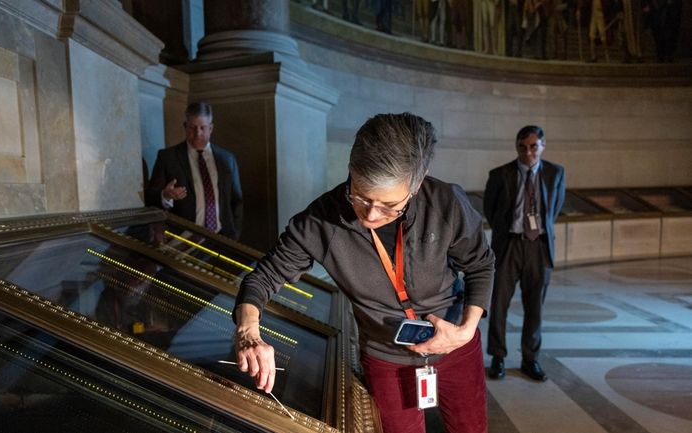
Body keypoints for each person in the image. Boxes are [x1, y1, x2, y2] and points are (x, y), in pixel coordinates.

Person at [233, 113, 495, 433]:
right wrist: (249, 332)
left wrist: (467, 329)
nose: (371, 214)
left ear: (417, 183)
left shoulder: (446, 202)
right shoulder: (320, 221)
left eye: (389, 206)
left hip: (456, 345)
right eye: (360, 196)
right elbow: (262, 277)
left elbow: (480, 264)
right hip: (387, 357)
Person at [484, 125, 566, 382]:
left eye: (533, 146)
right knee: (498, 304)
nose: (528, 152)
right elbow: (490, 209)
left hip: (539, 247)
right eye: (523, 146)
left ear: (542, 146)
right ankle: (498, 357)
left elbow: (556, 206)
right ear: (517, 147)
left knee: (535, 308)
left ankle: (530, 359)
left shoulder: (555, 173)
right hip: (509, 244)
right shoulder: (500, 174)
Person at [146, 102, 243, 240]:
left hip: (222, 239)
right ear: (185, 127)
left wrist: (235, 235)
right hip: (183, 241)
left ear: (211, 128)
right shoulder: (168, 157)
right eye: (192, 128)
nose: (198, 134)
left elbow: (237, 201)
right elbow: (150, 197)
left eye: (203, 128)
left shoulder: (227, 159)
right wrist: (165, 195)